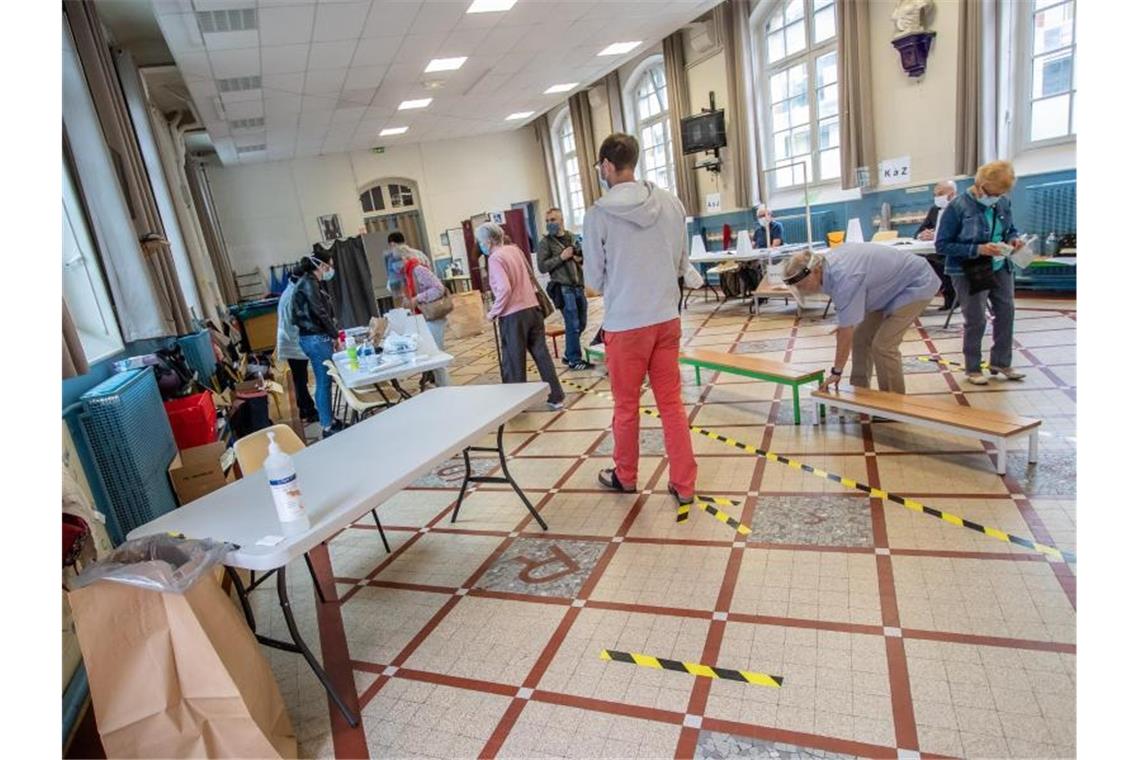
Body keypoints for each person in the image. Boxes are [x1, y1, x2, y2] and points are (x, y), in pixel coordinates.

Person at [583, 132, 697, 506]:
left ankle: (626, 476)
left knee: (626, 406)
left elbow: (594, 279)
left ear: (606, 166)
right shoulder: (671, 202)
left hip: (626, 323)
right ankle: (683, 483)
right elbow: (683, 260)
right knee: (672, 405)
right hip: (666, 317)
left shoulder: (598, 215)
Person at [784, 243, 940, 394]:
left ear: (816, 270)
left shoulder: (844, 277)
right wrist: (847, 321)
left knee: (883, 346)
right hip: (885, 289)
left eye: (803, 284)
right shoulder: (828, 268)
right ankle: (859, 391)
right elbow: (849, 308)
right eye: (797, 287)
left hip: (915, 283)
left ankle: (893, 403)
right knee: (860, 338)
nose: (802, 289)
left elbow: (845, 332)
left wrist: (836, 372)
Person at [935, 160, 1027, 385]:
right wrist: (978, 249)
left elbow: (1010, 229)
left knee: (1006, 312)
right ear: (981, 185)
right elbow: (942, 245)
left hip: (1000, 265)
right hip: (968, 269)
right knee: (975, 319)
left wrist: (1013, 240)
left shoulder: (1003, 203)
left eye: (1002, 193)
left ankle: (1001, 362)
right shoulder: (957, 207)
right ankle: (973, 368)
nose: (996, 197)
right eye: (994, 192)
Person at [477, 222, 566, 410]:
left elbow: (504, 289)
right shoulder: (514, 250)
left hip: (513, 316)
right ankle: (556, 397)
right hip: (533, 309)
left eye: (481, 241)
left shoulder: (495, 258)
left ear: (489, 240)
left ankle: (515, 403)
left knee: (514, 360)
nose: (480, 245)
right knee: (542, 356)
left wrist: (493, 313)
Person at [292, 249, 342, 438]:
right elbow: (319, 311)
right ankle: (327, 425)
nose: (330, 270)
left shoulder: (308, 282)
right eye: (328, 266)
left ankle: (329, 419)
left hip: (312, 338)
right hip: (315, 339)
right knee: (324, 381)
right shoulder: (309, 284)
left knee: (325, 380)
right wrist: (335, 335)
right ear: (320, 265)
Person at [536, 207, 593, 371]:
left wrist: (578, 257)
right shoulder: (545, 243)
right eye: (547, 221)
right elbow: (542, 267)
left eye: (553, 220)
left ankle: (568, 354)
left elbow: (584, 259)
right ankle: (575, 359)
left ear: (561, 220)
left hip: (578, 286)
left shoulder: (572, 237)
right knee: (572, 324)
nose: (549, 224)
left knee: (582, 323)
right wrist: (561, 257)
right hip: (563, 288)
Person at [396, 246, 452, 389]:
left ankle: (446, 389)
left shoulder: (418, 270)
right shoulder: (405, 274)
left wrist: (417, 299)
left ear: (404, 258)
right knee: (429, 357)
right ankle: (437, 387)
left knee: (437, 357)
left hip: (432, 316)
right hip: (422, 318)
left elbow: (439, 288)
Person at [275, 263, 319, 424]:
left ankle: (304, 408)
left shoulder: (292, 290)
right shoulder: (293, 294)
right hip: (291, 341)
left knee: (300, 377)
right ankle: (308, 410)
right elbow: (295, 323)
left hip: (291, 339)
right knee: (300, 379)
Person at [915, 179, 957, 310]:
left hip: (953, 251)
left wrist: (939, 235)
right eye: (935, 194)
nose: (937, 197)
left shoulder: (960, 208)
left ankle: (952, 293)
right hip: (935, 251)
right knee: (919, 260)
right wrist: (922, 235)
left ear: (951, 194)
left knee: (937, 262)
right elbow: (919, 230)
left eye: (940, 194)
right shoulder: (934, 210)